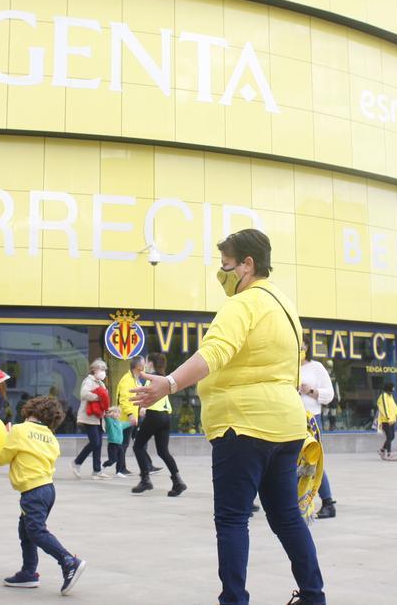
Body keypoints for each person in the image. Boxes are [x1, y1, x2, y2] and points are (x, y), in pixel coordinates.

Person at [132, 229, 324, 605]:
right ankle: (314, 596)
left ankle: (233, 600)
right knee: (286, 516)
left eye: (226, 266)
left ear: (247, 264)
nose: (223, 275)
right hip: (286, 425)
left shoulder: (243, 304)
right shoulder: (285, 306)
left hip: (243, 424)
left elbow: (215, 352)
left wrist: (169, 383)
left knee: (233, 519)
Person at [0, 395, 86, 595]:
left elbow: (1, 458)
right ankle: (28, 573)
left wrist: (4, 437)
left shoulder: (19, 430)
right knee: (26, 531)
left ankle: (68, 561)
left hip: (32, 491)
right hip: (47, 490)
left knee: (35, 531)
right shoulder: (51, 437)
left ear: (30, 409)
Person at [130, 353, 186, 496]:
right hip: (165, 417)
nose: (145, 365)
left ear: (151, 364)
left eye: (147, 362)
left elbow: (148, 396)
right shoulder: (163, 378)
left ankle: (145, 479)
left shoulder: (152, 378)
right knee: (163, 451)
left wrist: (143, 407)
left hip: (154, 415)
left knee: (138, 446)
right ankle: (177, 481)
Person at [299, 346, 334, 517]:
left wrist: (310, 391)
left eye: (303, 346)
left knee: (313, 460)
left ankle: (328, 502)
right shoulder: (287, 366)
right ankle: (297, 502)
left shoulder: (316, 367)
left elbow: (329, 395)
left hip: (311, 420)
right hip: (289, 419)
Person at [71, 359, 109, 480]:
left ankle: (97, 470)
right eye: (101, 369)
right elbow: (84, 394)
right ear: (94, 370)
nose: (103, 372)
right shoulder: (89, 381)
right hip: (89, 417)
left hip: (99, 418)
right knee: (95, 442)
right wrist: (99, 397)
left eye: (104, 370)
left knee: (98, 444)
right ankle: (77, 462)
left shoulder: (101, 383)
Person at [105, 357, 142, 477]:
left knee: (124, 444)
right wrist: (131, 414)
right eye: (143, 366)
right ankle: (119, 469)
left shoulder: (133, 379)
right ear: (138, 367)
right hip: (126, 418)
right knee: (122, 445)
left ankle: (122, 468)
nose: (144, 368)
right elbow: (124, 400)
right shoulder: (127, 380)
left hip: (130, 418)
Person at [376, 384, 397, 461]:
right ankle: (389, 454)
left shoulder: (390, 397)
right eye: (392, 389)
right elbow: (384, 408)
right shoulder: (383, 396)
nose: (392, 391)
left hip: (392, 420)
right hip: (386, 421)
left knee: (392, 437)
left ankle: (382, 450)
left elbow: (395, 408)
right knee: (389, 437)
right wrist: (389, 419)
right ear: (388, 389)